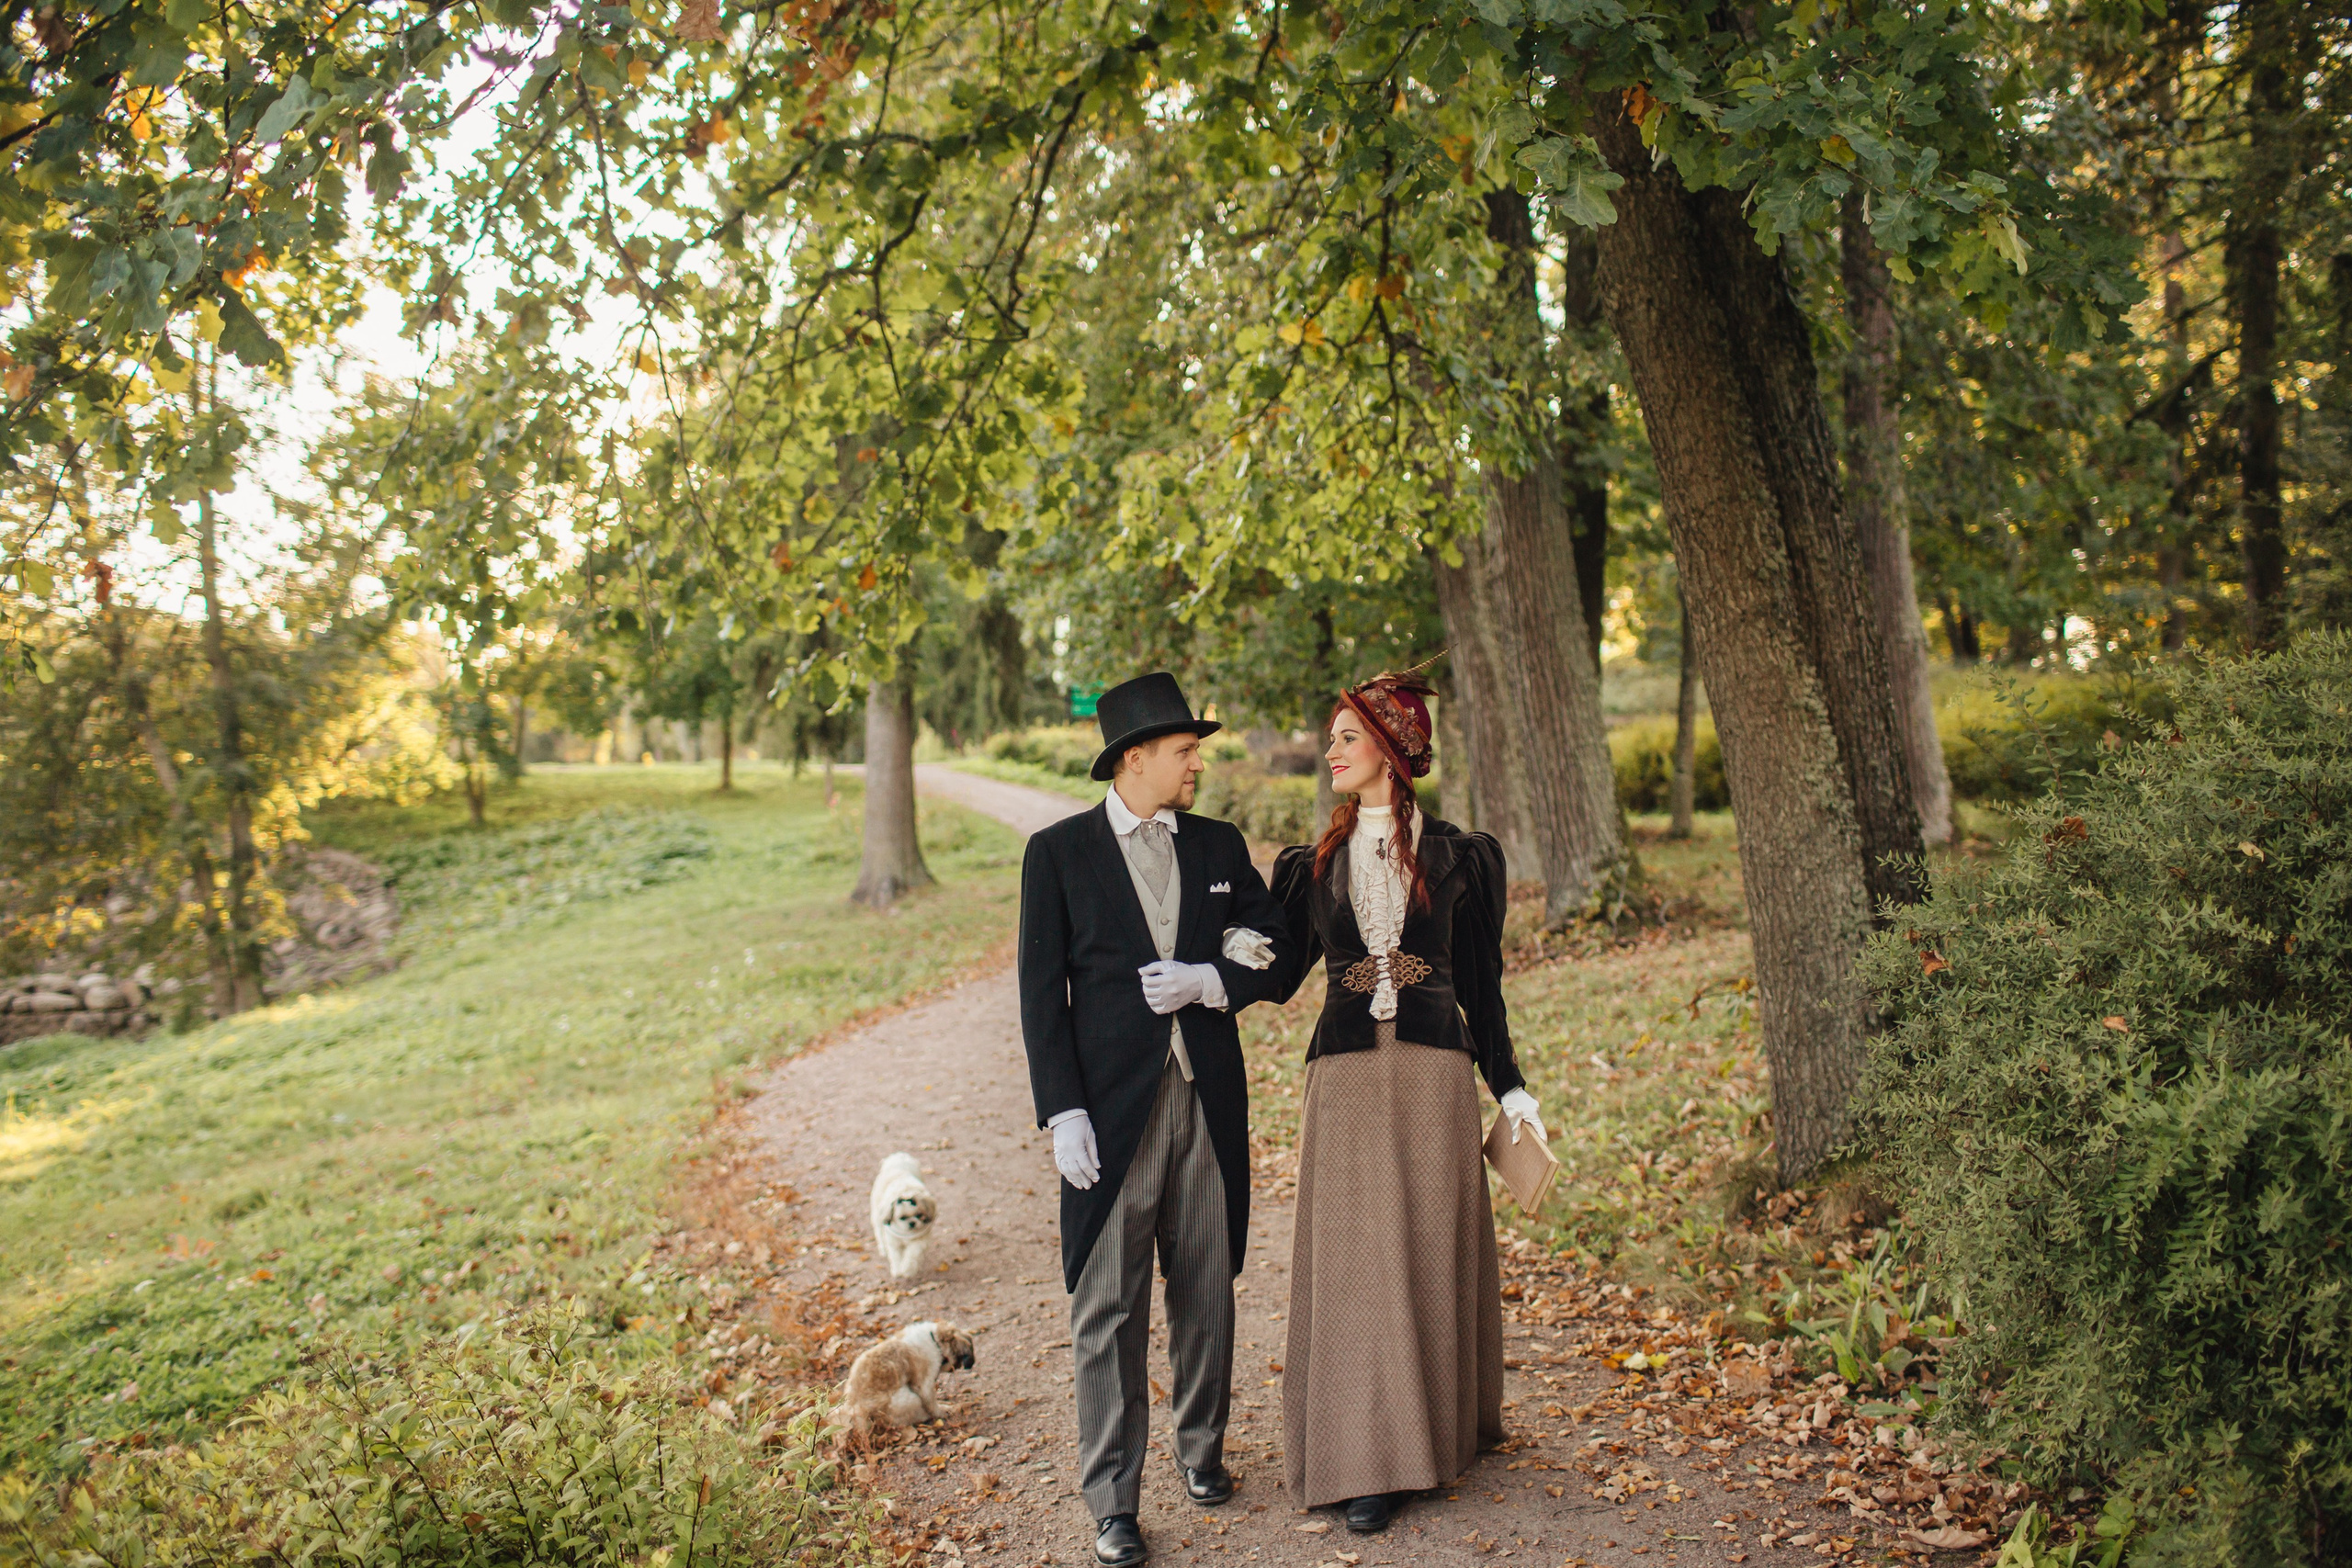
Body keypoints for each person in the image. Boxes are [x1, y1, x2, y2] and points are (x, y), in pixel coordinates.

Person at [1017, 671, 1295, 1568]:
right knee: (1107, 1310)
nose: (1196, 765)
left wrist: (1216, 981)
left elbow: (1269, 944)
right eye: (1183, 752)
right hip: (1110, 1115)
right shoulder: (1056, 855)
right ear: (1134, 759)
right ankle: (1114, 1500)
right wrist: (1063, 1113)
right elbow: (1039, 998)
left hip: (1205, 1101)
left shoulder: (1218, 846)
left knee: (1207, 1291)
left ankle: (1202, 1451)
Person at [1267, 668, 1546, 1534]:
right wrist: (1217, 955)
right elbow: (1278, 977)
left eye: (1347, 737)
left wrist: (1514, 1087)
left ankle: (1434, 1429)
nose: (1332, 751)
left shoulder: (1461, 858)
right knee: (1356, 1263)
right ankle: (1366, 1459)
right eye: (1332, 736)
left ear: (1391, 751)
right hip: (1346, 1077)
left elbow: (1483, 989)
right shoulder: (1313, 864)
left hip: (1432, 1075)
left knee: (1423, 1252)